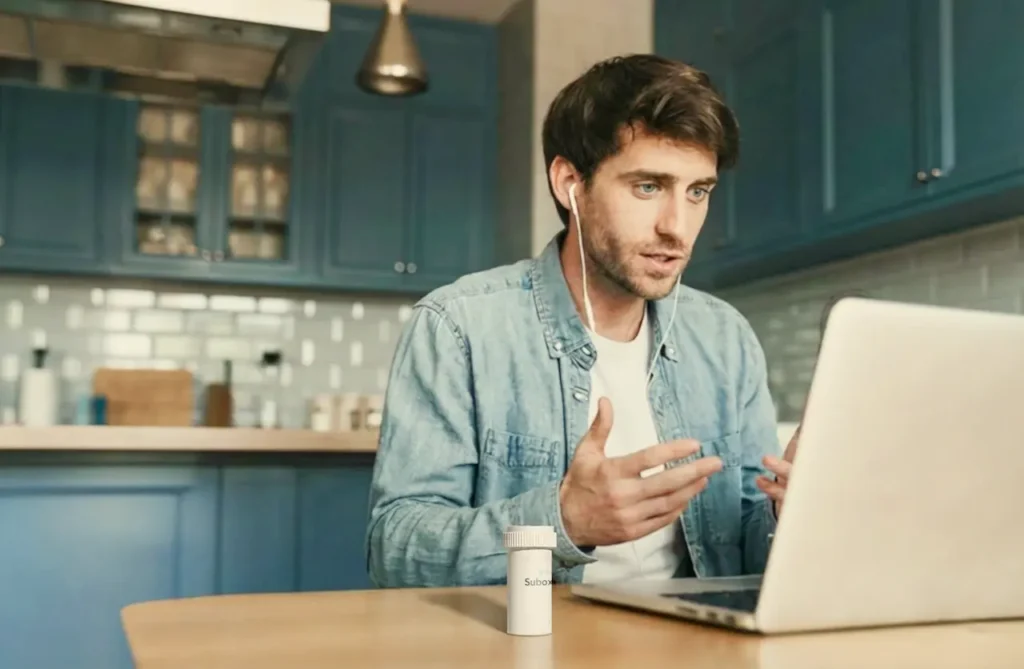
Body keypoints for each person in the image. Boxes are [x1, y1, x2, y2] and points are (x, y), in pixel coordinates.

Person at [365, 53, 797, 588]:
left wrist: (787, 512)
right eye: (647, 186)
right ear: (570, 181)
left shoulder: (725, 337)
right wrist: (562, 521)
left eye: (698, 192)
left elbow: (749, 547)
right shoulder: (459, 326)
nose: (677, 227)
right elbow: (397, 549)